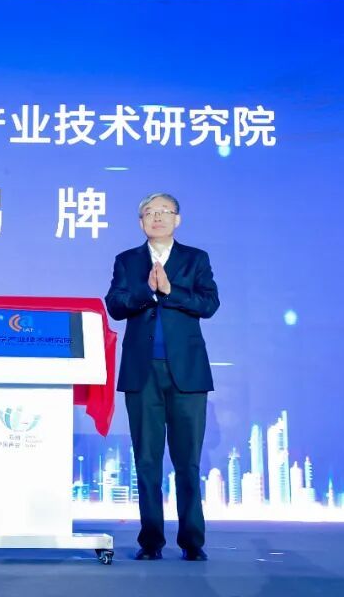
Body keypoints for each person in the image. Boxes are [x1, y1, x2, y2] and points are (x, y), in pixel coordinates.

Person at [105, 193, 220, 561]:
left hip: (188, 373)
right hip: (142, 374)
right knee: (147, 461)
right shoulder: (127, 260)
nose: (157, 218)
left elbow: (209, 304)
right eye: (149, 213)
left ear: (177, 219)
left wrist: (171, 291)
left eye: (164, 212)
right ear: (141, 222)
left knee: (188, 463)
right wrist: (148, 291)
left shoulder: (195, 259)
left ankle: (192, 542)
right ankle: (151, 541)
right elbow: (115, 305)